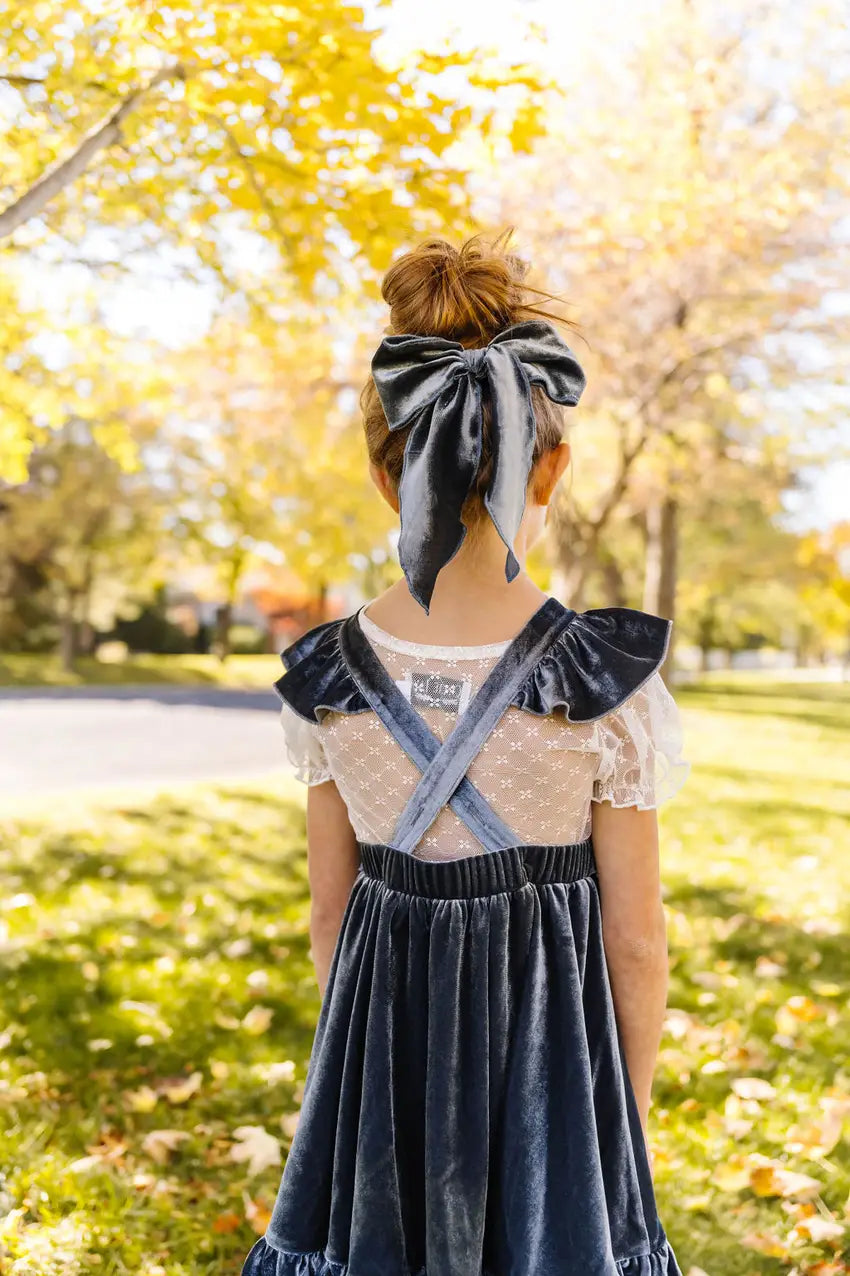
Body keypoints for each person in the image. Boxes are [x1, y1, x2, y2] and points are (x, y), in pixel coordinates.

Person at [240, 233, 690, 1276]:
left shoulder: (330, 675)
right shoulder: (601, 679)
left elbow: (328, 916)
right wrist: (624, 1120)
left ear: (381, 468)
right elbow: (634, 943)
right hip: (557, 1097)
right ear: (555, 464)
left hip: (381, 1088)